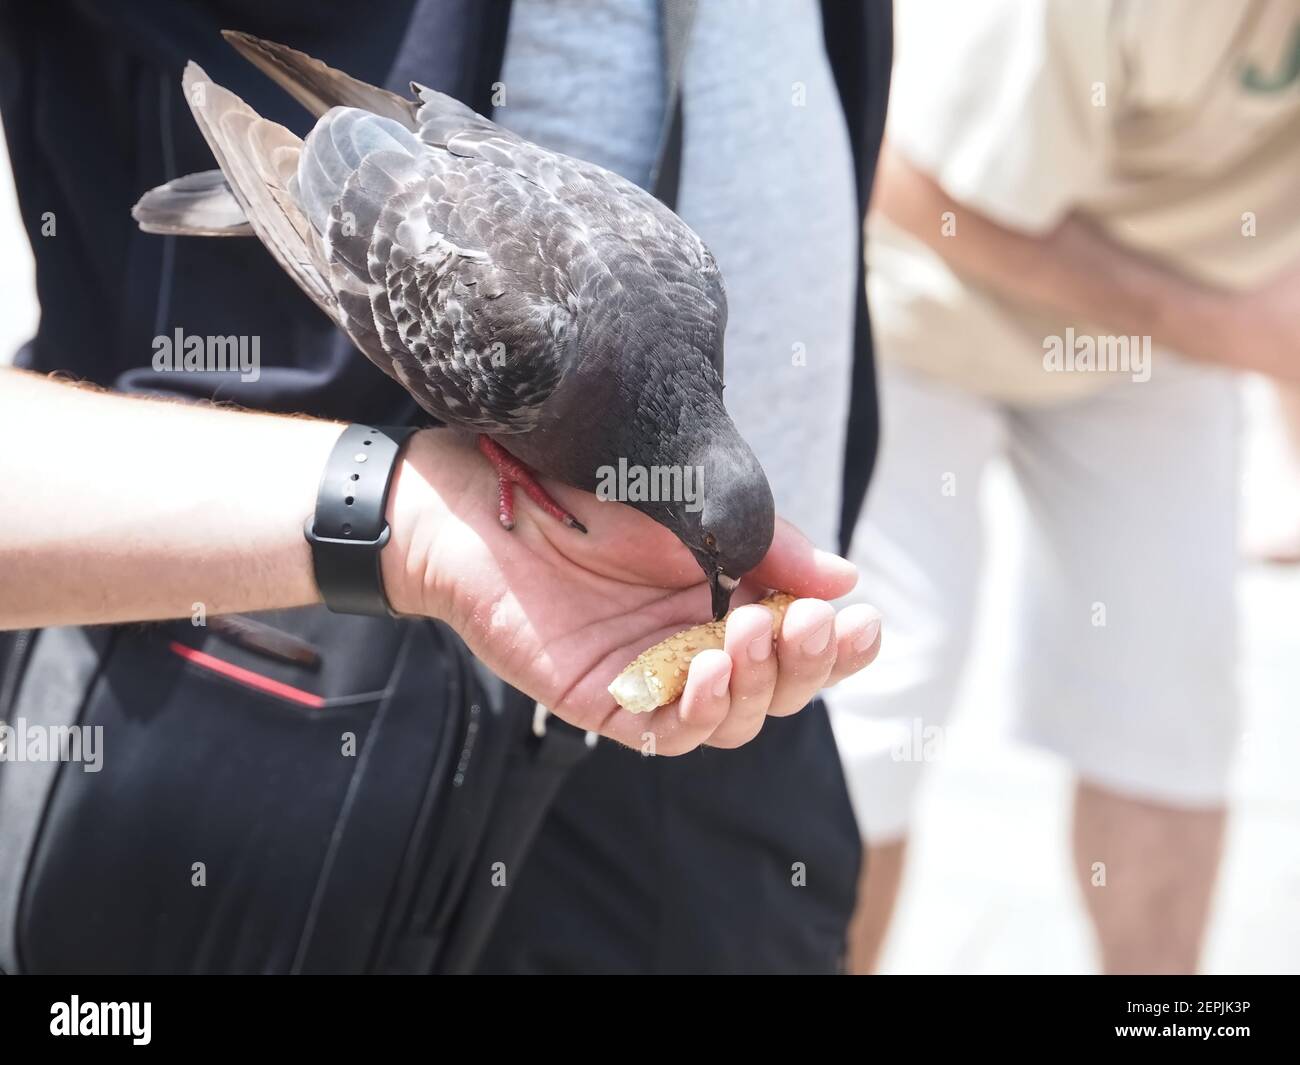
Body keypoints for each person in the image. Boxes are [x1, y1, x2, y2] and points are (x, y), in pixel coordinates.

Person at [0, 0, 890, 973]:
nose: (715, 573)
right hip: (329, 686)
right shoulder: (534, 353)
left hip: (703, 735)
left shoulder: (690, 279)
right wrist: (430, 494)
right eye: (716, 557)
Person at [830, 0, 1300, 974]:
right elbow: (902, 176)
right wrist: (1230, 330)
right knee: (874, 702)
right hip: (924, 308)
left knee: (1167, 716)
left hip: (1169, 329)